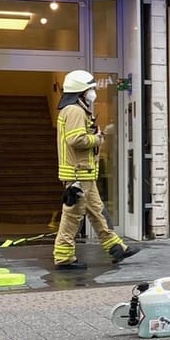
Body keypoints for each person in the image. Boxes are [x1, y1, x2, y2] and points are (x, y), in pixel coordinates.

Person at [52, 69, 137, 270]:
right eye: (91, 88)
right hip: (77, 174)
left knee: (97, 212)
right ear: (81, 91)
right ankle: (63, 257)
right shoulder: (74, 110)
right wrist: (98, 138)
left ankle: (116, 247)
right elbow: (75, 139)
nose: (94, 91)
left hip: (83, 173)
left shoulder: (77, 109)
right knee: (73, 216)